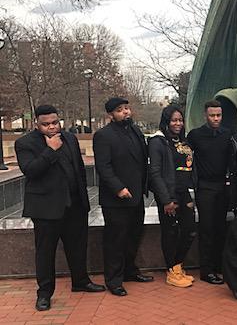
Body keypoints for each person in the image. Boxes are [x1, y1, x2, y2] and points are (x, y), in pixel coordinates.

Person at [15, 105, 105, 311]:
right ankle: (44, 293)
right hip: (46, 208)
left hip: (74, 205)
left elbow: (79, 170)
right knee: (45, 252)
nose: (52, 127)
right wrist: (50, 150)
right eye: (46, 124)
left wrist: (84, 201)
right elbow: (30, 171)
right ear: (36, 124)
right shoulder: (25, 143)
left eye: (55, 123)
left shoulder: (70, 138)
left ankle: (80, 281)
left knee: (77, 246)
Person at [93, 97, 154, 297]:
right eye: (120, 110)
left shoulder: (135, 131)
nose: (126, 112)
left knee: (133, 236)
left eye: (127, 108)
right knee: (115, 240)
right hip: (116, 199)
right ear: (111, 114)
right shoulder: (103, 135)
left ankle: (130, 271)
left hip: (136, 196)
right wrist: (119, 188)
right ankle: (114, 280)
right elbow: (104, 167)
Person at [148, 105, 196, 288]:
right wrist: (166, 200)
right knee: (171, 233)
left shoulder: (182, 141)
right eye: (174, 120)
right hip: (169, 196)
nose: (178, 123)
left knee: (190, 231)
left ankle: (178, 265)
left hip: (184, 193)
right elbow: (155, 172)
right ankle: (172, 270)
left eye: (180, 120)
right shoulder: (158, 142)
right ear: (166, 121)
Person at [187, 99, 231, 285]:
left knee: (221, 228)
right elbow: (186, 160)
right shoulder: (195, 135)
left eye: (218, 115)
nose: (215, 118)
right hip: (204, 187)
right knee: (206, 229)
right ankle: (206, 270)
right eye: (212, 115)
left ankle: (219, 264)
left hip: (223, 186)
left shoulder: (228, 134)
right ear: (205, 115)